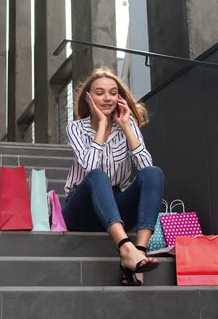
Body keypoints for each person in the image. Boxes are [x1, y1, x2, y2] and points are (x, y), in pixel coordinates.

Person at [62, 67, 164, 286]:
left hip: (117, 209)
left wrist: (126, 127)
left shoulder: (128, 125)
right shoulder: (75, 128)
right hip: (82, 210)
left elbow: (146, 168)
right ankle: (126, 248)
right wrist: (100, 126)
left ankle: (139, 252)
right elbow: (89, 167)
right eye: (99, 92)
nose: (107, 98)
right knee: (98, 176)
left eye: (112, 92)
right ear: (89, 98)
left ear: (119, 96)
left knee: (154, 173)